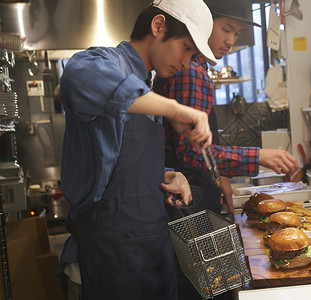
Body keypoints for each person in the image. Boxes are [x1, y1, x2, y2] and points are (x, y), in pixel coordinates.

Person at [57, 0, 218, 299]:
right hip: (111, 257)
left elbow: (125, 163)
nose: (187, 62)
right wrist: (175, 110)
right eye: (186, 48)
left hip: (153, 253)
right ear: (158, 26)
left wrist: (169, 175)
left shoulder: (149, 90)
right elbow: (76, 76)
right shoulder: (103, 62)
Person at [153, 0, 299, 219]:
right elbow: (191, 153)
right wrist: (258, 155)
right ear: (204, 23)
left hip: (192, 187)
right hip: (188, 192)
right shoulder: (190, 71)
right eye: (226, 29)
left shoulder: (195, 67)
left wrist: (223, 178)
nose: (230, 41)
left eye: (237, 34)